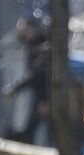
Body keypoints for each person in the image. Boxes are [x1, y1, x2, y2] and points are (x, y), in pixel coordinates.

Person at [4, 15, 50, 144]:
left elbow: (37, 75)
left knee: (32, 129)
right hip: (38, 95)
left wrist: (45, 99)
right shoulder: (31, 45)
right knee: (31, 128)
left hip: (44, 95)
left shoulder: (41, 47)